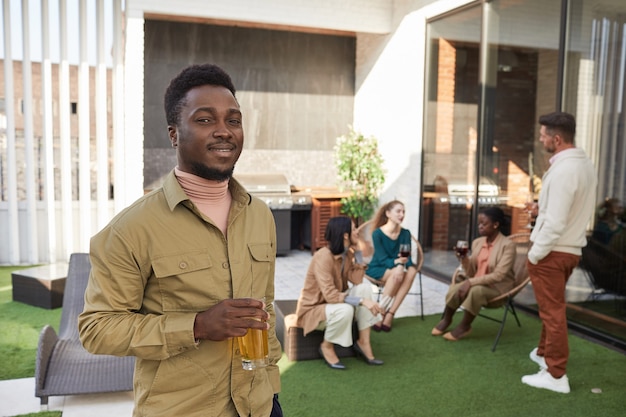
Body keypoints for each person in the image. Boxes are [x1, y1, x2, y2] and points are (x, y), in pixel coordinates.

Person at [78, 64, 283, 417]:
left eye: (233, 120)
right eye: (205, 120)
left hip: (260, 405)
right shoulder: (132, 228)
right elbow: (97, 328)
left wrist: (271, 385)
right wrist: (197, 325)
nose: (224, 131)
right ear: (174, 134)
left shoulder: (260, 215)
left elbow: (263, 304)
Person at [521, 111, 597, 394]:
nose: (540, 139)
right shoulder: (583, 164)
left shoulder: (566, 169)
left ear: (556, 138)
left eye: (543, 135)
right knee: (550, 311)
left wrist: (535, 253)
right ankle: (544, 355)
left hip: (553, 253)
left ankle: (556, 376)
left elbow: (556, 222)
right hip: (566, 250)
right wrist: (541, 210)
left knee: (553, 314)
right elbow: (567, 208)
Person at [295, 216, 385, 370]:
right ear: (345, 235)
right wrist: (363, 302)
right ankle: (327, 346)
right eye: (354, 229)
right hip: (315, 309)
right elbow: (330, 296)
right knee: (346, 309)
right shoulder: (323, 257)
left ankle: (363, 342)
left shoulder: (347, 253)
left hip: (332, 304)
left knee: (364, 289)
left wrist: (357, 254)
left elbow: (357, 281)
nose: (357, 232)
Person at [431, 207, 516, 341]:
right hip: (477, 282)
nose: (480, 227)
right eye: (479, 224)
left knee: (476, 291)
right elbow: (471, 272)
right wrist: (463, 259)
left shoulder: (508, 245)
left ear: (496, 224)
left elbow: (499, 275)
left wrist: (470, 282)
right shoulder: (477, 242)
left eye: (484, 224)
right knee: (455, 288)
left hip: (498, 289)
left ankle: (464, 326)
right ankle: (447, 320)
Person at [365, 200, 418, 332]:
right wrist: (399, 264)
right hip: (378, 268)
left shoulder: (405, 233)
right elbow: (383, 259)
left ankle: (390, 313)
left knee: (411, 272)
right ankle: (381, 312)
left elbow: (408, 257)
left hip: (395, 268)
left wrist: (403, 265)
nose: (402, 214)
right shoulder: (377, 233)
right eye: (398, 211)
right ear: (388, 213)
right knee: (396, 274)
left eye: (403, 212)